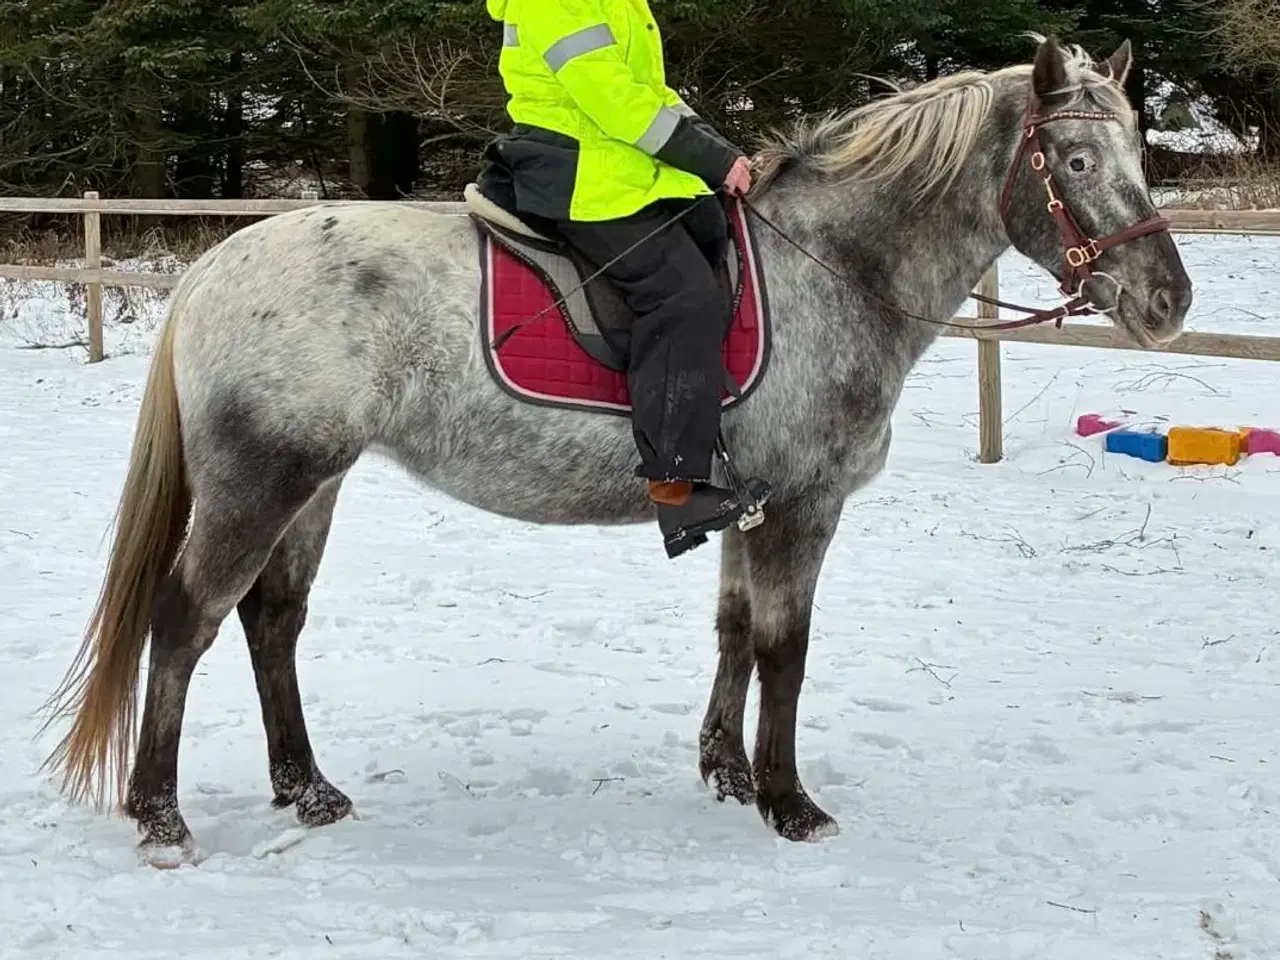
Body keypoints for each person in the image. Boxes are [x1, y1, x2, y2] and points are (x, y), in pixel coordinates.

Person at [477, 0, 771, 558]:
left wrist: (717, 148)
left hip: (623, 173)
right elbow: (612, 98)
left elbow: (651, 92)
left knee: (717, 237)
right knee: (683, 297)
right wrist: (707, 159)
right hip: (580, 177)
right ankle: (676, 490)